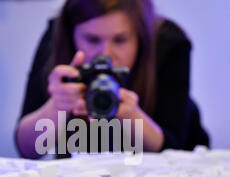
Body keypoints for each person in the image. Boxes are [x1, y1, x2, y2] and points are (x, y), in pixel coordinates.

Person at [15, 0, 210, 159]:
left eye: (120, 40)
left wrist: (132, 116)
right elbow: (27, 150)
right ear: (71, 34)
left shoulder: (169, 42)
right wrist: (57, 107)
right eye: (92, 39)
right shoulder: (56, 36)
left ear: (141, 37)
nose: (106, 54)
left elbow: (173, 151)